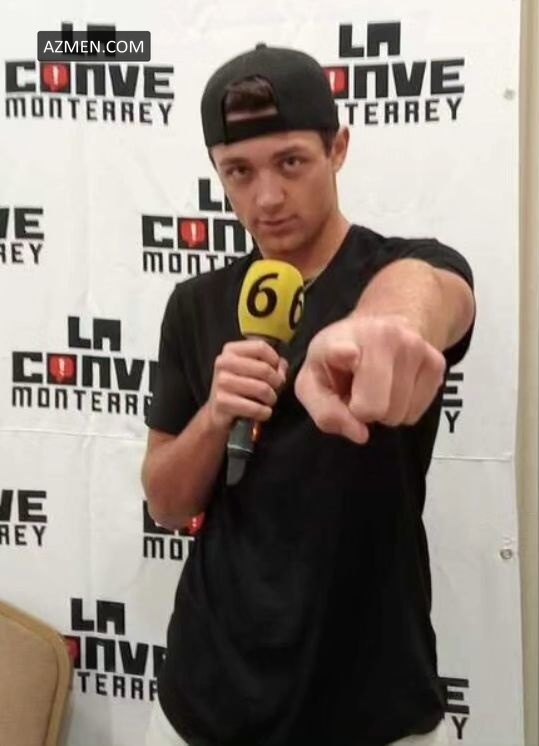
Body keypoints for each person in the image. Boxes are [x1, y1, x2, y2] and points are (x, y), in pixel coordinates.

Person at [142, 43, 475, 746]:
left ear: (338, 149)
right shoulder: (194, 304)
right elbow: (166, 503)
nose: (265, 198)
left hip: (372, 701)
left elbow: (427, 296)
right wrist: (216, 414)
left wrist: (380, 328)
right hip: (206, 697)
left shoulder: (403, 266)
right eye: (239, 171)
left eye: (290, 162)